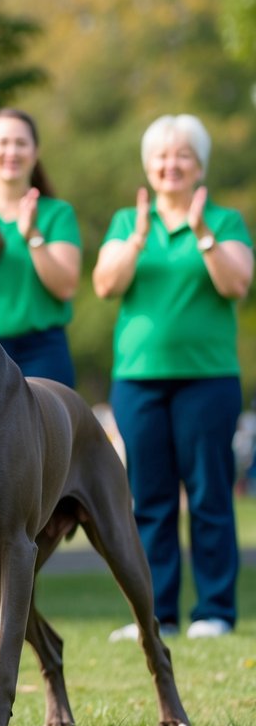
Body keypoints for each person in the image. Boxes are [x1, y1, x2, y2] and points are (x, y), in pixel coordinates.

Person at [93, 113, 253, 641]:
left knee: (209, 495)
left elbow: (236, 284)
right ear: (149, 166)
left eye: (183, 154)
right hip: (139, 381)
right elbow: (105, 284)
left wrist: (203, 233)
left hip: (208, 380)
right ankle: (154, 614)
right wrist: (139, 237)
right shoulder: (127, 222)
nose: (172, 164)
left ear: (199, 165)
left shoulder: (225, 221)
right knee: (149, 500)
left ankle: (215, 610)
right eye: (162, 156)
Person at [0, 108, 82, 643]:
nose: (11, 152)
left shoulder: (55, 213)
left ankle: (18, 605)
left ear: (35, 152)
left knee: (34, 485)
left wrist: (31, 236)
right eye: (2, 142)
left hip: (42, 353)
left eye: (20, 143)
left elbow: (66, 284)